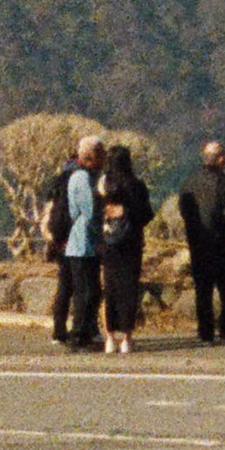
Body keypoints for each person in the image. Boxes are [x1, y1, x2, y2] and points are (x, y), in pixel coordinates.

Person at [178, 141, 225, 346]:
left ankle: (205, 331)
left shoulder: (190, 182)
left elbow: (184, 210)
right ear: (221, 159)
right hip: (220, 243)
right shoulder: (224, 183)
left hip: (198, 242)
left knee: (203, 289)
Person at [96, 136, 150, 358]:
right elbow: (146, 214)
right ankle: (127, 338)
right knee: (129, 290)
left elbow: (94, 213)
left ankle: (109, 338)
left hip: (108, 242)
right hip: (131, 243)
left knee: (110, 289)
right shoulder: (136, 185)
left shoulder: (102, 184)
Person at [52, 137, 105, 356]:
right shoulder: (82, 178)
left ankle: (83, 334)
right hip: (82, 242)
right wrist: (101, 233)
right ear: (92, 156)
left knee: (90, 290)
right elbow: (88, 211)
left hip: (81, 242)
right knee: (85, 291)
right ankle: (79, 336)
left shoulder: (79, 175)